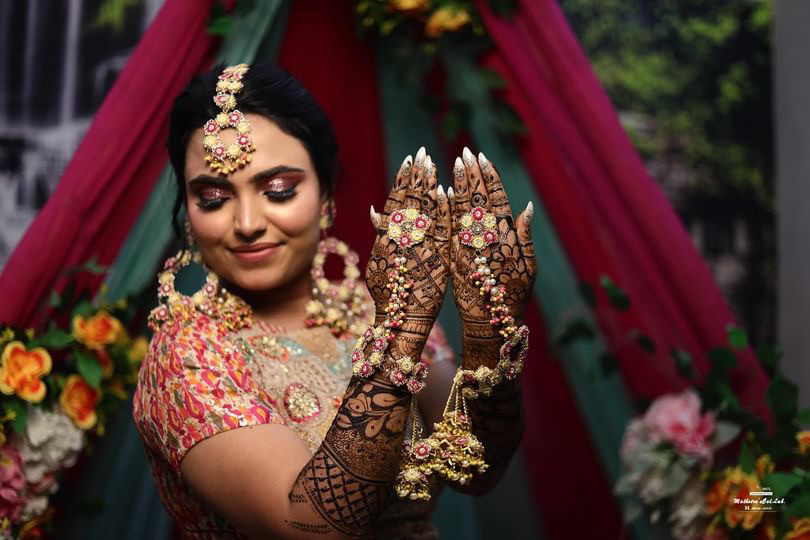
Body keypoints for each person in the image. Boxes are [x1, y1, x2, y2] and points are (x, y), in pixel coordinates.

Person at [133, 62, 536, 539]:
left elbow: (479, 467)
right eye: (214, 197)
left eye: (278, 190)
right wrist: (402, 330)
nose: (246, 222)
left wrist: (488, 329)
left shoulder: (369, 308)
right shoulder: (187, 354)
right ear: (187, 212)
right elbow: (310, 529)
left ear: (325, 193)